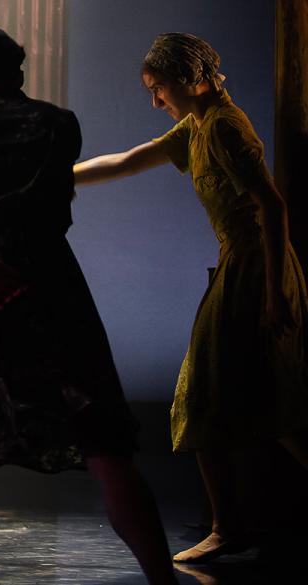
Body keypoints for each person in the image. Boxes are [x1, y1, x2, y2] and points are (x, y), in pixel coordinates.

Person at [0, 27, 175, 584]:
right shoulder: (58, 123)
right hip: (50, 281)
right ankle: (162, 580)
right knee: (102, 439)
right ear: (17, 72)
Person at [75, 32, 308, 564]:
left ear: (190, 80)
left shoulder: (224, 126)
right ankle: (228, 523)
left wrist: (274, 295)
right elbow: (133, 159)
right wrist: (60, 179)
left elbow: (272, 208)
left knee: (211, 393)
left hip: (254, 269)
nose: (156, 101)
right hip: (238, 265)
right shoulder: (199, 124)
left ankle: (228, 526)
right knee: (268, 401)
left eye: (160, 89)